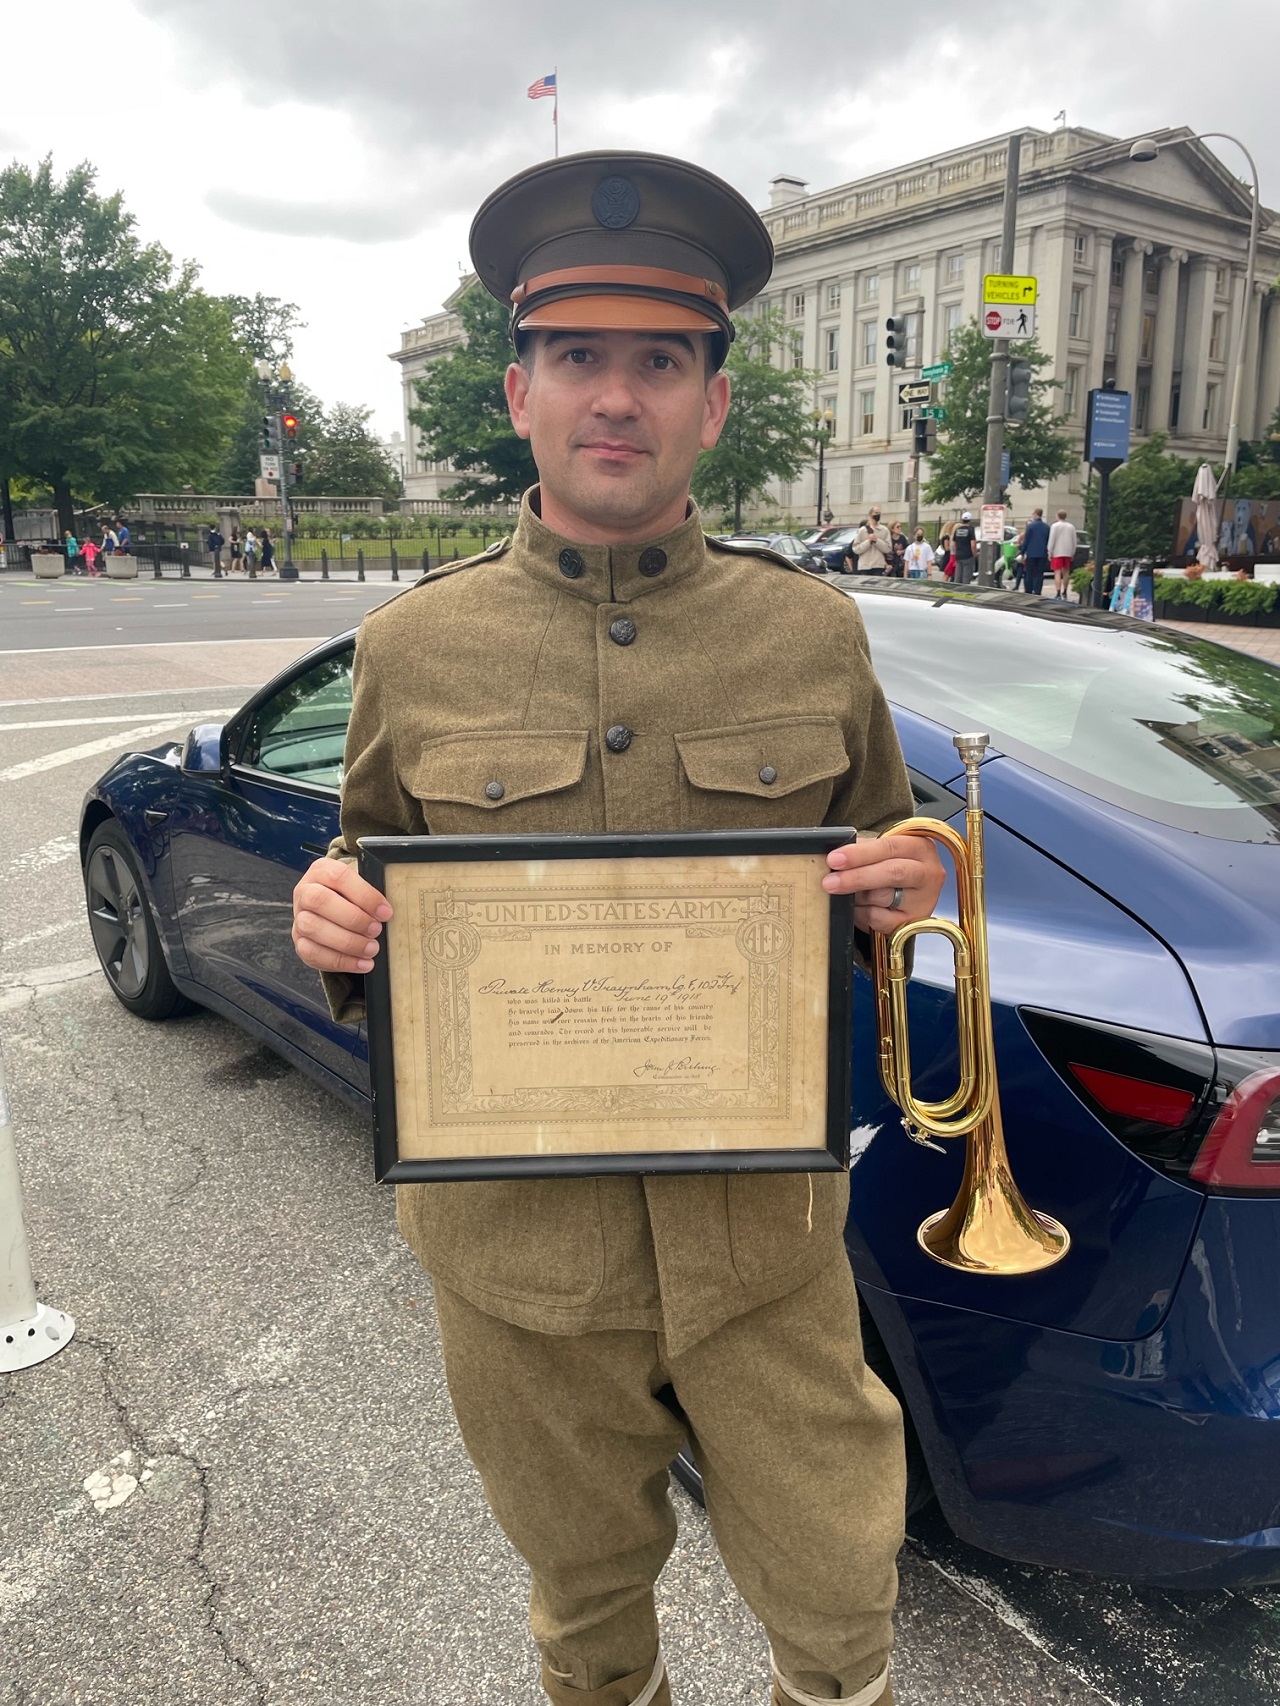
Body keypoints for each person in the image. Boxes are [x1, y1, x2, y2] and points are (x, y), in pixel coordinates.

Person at [291, 150, 945, 1706]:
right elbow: (369, 891)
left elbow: (882, 871)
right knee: (586, 1621)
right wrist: (333, 935)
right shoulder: (412, 643)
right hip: (517, 1265)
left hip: (762, 1251)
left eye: (660, 360)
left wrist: (908, 896)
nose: (616, 396)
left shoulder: (812, 628)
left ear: (714, 403)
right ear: (518, 390)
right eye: (579, 356)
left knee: (843, 1611)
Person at [846, 507, 890, 574]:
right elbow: (856, 549)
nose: (878, 515)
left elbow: (888, 549)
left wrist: (876, 541)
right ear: (870, 514)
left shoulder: (884, 530)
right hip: (864, 565)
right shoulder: (862, 530)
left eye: (879, 513)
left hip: (878, 565)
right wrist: (868, 541)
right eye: (876, 513)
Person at [1019, 507, 1051, 597]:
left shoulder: (1031, 526)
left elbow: (1026, 540)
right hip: (1042, 553)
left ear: (1036, 514)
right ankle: (1037, 590)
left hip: (1031, 553)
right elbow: (1048, 540)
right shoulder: (1046, 527)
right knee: (1040, 573)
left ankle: (1029, 590)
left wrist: (1022, 551)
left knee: (1029, 572)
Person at [1048, 510, 1077, 599]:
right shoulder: (1071, 527)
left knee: (1057, 572)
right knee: (1066, 572)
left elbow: (1052, 539)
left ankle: (1058, 592)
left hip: (1057, 552)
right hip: (1067, 551)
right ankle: (1065, 591)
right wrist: (1072, 552)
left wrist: (1050, 551)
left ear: (1058, 516)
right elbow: (1074, 541)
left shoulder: (1055, 526)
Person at [950, 510, 977, 584]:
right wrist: (975, 555)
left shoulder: (957, 530)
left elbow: (953, 544)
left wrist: (956, 553)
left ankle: (957, 591)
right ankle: (965, 592)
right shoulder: (971, 530)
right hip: (968, 556)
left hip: (959, 556)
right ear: (970, 520)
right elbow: (973, 545)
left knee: (957, 577)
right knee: (966, 577)